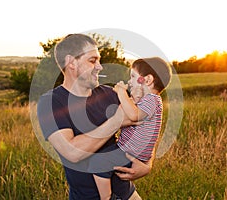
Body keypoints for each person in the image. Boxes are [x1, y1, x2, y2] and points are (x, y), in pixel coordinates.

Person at [37, 33, 154, 200]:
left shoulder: (110, 93)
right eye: (92, 61)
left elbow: (148, 123)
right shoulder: (51, 103)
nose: (100, 67)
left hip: (128, 195)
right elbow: (72, 152)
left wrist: (147, 165)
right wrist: (116, 120)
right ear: (72, 63)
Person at [88, 57, 172, 200]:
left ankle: (107, 197)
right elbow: (132, 108)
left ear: (147, 80)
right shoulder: (147, 99)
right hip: (131, 151)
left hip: (131, 152)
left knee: (97, 162)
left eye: (133, 76)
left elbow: (133, 115)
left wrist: (121, 92)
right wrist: (133, 97)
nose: (130, 81)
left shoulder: (152, 100)